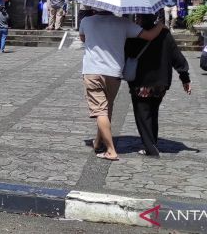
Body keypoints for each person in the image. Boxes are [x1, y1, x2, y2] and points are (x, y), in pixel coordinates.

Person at [79, 10, 164, 161]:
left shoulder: (86, 21)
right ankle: (98, 143)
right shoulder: (123, 23)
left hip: (92, 70)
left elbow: (83, 39)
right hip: (113, 72)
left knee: (100, 111)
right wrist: (161, 25)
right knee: (106, 108)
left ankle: (111, 150)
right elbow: (149, 36)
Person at [125, 14, 191, 157]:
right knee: (153, 112)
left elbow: (126, 54)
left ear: (140, 18)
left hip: (141, 82)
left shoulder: (135, 33)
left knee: (143, 114)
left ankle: (150, 147)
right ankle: (152, 142)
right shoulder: (165, 33)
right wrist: (185, 78)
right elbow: (177, 57)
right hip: (161, 83)